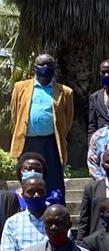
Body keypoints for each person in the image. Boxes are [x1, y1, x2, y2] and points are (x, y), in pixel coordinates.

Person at [8, 53, 73, 201]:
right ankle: (27, 207)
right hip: (28, 142)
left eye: (49, 65)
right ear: (35, 67)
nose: (45, 68)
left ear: (54, 69)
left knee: (54, 180)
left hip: (51, 143)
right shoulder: (20, 87)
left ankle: (56, 211)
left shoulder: (65, 91)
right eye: (42, 65)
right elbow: (15, 114)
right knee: (28, 177)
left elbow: (67, 120)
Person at [0, 176, 48, 251]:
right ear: (23, 195)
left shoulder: (57, 221)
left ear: (46, 193)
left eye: (40, 192)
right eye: (31, 192)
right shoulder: (13, 223)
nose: (36, 195)